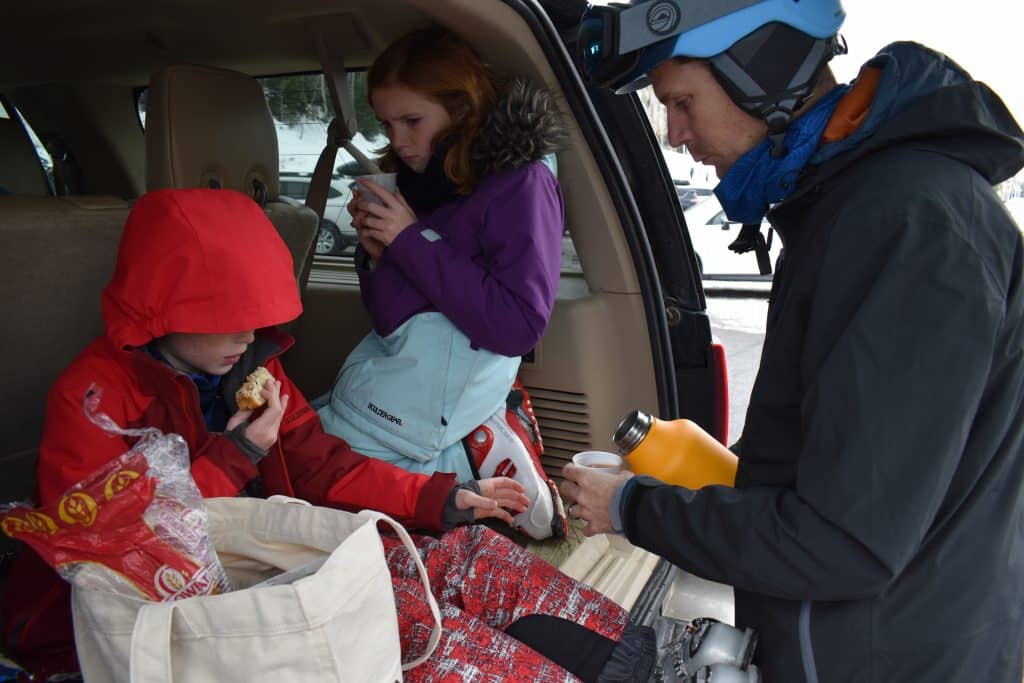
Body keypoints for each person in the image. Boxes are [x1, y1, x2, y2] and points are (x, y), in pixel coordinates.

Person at [1, 188, 656, 681]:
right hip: (174, 617)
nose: (246, 338)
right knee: (419, 628)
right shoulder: (92, 397)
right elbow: (113, 552)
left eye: (258, 323)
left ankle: (643, 664)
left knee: (473, 552)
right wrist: (235, 456)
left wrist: (443, 498)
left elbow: (323, 468)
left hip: (273, 562)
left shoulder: (252, 368)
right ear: (159, 306)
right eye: (227, 319)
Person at [562, 0, 1024, 681]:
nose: (674, 133)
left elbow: (843, 541)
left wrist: (636, 508)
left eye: (682, 101)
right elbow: (832, 458)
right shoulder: (857, 207)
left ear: (759, 67)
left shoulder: (905, 225)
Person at [316, 27, 569, 540]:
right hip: (393, 385)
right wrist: (376, 256)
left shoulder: (521, 182)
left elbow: (519, 326)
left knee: (318, 481)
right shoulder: (423, 179)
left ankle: (482, 446)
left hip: (422, 404)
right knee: (301, 456)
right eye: (388, 124)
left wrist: (409, 240)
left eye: (412, 120)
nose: (399, 140)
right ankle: (480, 447)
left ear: (462, 108)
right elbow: (391, 321)